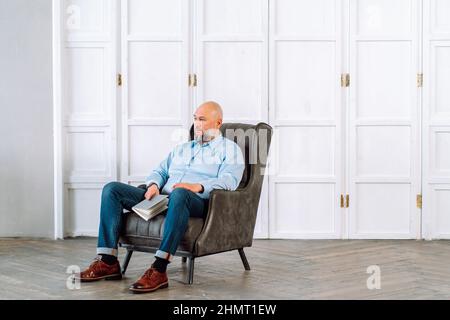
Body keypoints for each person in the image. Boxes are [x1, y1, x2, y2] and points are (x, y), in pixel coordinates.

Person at [76, 101, 245, 293]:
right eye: (195, 119)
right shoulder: (183, 148)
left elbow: (229, 181)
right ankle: (108, 262)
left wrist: (196, 186)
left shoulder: (230, 150)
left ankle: (159, 269)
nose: (197, 124)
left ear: (218, 123)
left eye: (202, 120)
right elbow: (160, 171)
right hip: (162, 199)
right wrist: (154, 185)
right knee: (112, 189)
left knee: (180, 193)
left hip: (195, 201)